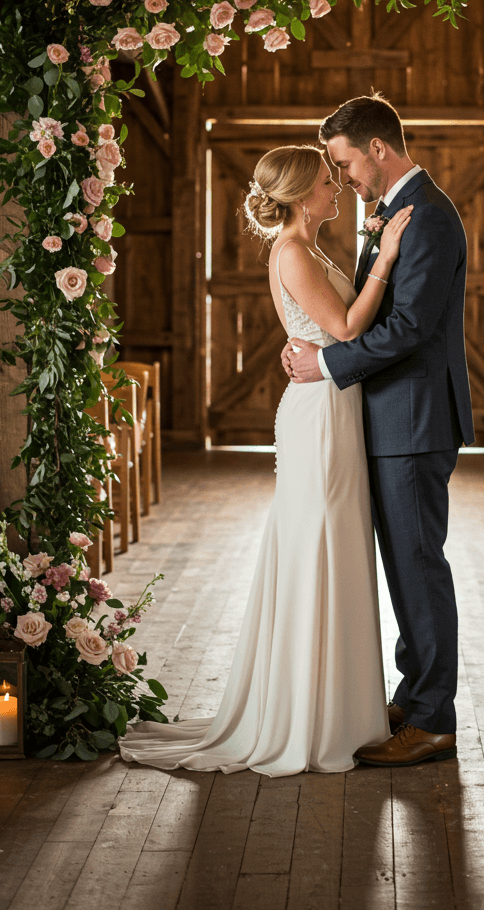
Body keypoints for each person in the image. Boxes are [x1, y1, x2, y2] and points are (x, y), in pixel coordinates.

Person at [118, 144, 412, 775]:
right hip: (320, 415)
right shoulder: (295, 252)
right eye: (327, 182)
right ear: (304, 194)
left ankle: (334, 705)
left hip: (330, 401)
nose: (337, 187)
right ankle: (306, 714)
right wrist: (386, 258)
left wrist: (372, 252)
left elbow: (325, 324)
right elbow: (349, 329)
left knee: (332, 546)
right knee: (317, 547)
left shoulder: (308, 247)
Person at [283, 93, 473, 767]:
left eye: (344, 163)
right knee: (404, 567)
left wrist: (326, 364)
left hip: (414, 422)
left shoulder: (425, 219)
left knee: (419, 567)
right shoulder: (396, 214)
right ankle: (414, 694)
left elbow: (409, 329)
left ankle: (433, 719)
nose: (344, 179)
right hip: (394, 418)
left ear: (378, 149)